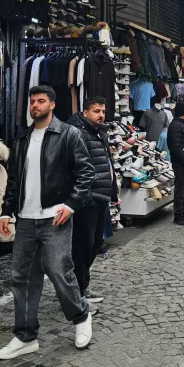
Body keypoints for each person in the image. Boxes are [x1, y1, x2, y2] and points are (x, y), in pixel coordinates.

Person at [0, 86, 95, 360]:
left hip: (55, 216)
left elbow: (86, 173)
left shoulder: (68, 134)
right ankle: (25, 336)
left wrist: (72, 205)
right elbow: (14, 180)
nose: (35, 106)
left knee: (59, 270)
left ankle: (81, 316)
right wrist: (6, 212)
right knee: (22, 278)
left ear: (52, 104)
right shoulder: (22, 138)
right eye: (32, 102)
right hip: (26, 219)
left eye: (40, 101)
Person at [66, 96, 116, 311]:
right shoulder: (77, 132)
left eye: (103, 111)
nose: (101, 115)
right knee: (82, 246)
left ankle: (82, 286)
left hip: (100, 197)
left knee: (94, 244)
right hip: (87, 199)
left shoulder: (96, 130)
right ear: (85, 112)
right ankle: (76, 292)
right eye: (96, 111)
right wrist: (82, 197)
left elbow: (105, 163)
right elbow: (74, 167)